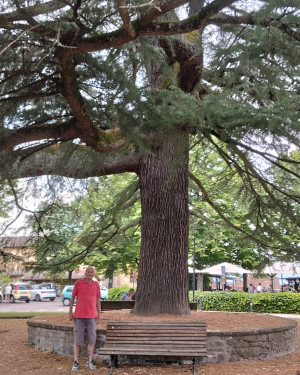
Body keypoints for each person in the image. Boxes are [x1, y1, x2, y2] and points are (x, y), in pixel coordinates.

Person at [69, 267, 101, 372]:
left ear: (94, 274)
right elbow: (73, 297)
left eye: (92, 272)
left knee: (92, 339)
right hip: (79, 316)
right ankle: (76, 361)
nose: (90, 274)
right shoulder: (78, 283)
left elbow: (97, 300)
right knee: (78, 340)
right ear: (85, 273)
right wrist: (70, 311)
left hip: (92, 316)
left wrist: (99, 314)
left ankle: (90, 360)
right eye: (88, 272)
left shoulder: (96, 285)